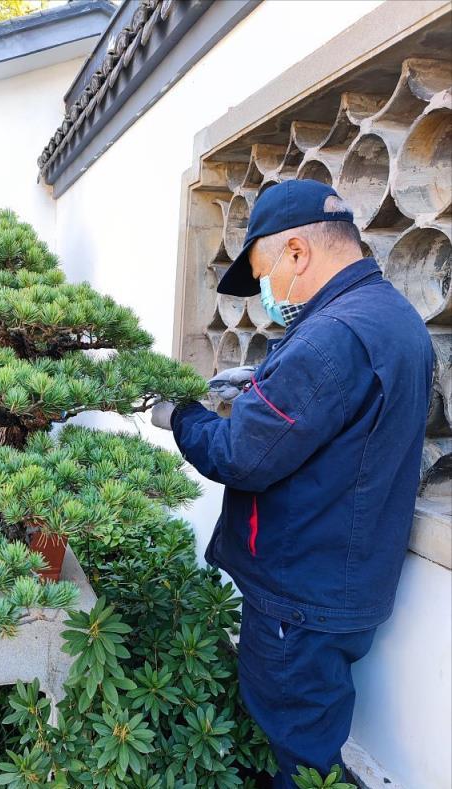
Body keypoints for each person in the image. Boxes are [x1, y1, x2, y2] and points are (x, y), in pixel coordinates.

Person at [151, 179, 433, 788]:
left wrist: (178, 415)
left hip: (300, 596)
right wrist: (264, 382)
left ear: (298, 253)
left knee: (299, 752)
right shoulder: (390, 315)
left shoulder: (333, 337)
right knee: (307, 733)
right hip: (342, 581)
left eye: (264, 275)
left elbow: (240, 455)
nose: (266, 295)